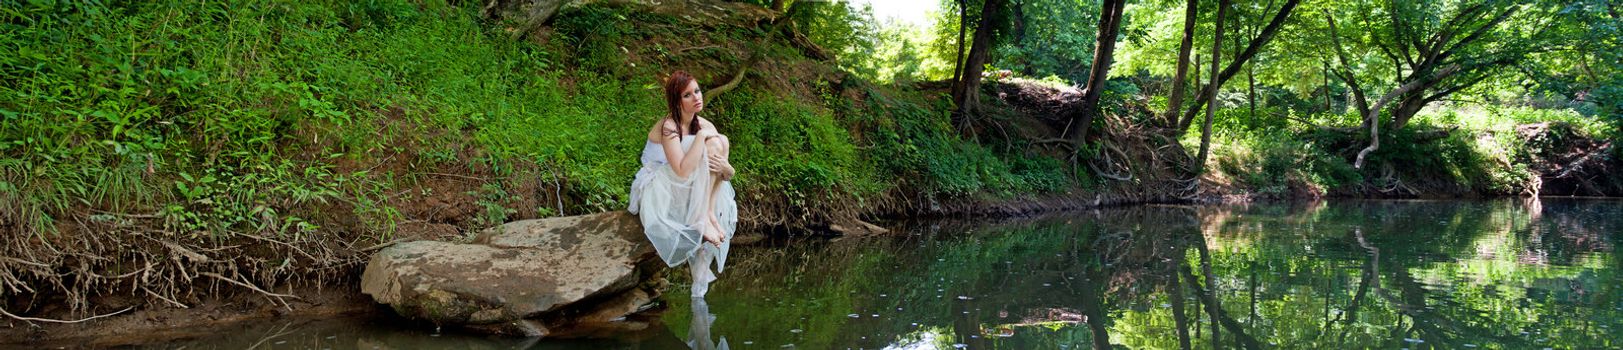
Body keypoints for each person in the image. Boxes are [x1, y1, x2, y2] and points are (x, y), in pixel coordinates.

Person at [628, 71, 737, 298]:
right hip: (662, 184)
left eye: (697, 91)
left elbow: (723, 170)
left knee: (721, 140)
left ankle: (707, 213)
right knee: (712, 142)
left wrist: (729, 170)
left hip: (689, 185)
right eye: (687, 95)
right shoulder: (669, 126)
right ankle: (700, 218)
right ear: (677, 102)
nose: (696, 97)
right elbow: (682, 169)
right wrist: (699, 138)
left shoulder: (703, 123)